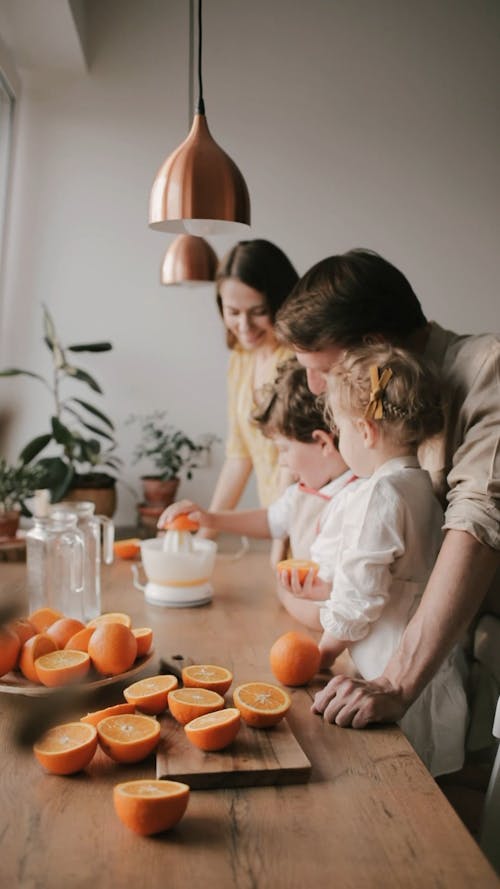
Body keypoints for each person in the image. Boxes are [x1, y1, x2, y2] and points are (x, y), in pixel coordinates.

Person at [274, 248, 500, 730]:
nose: (314, 388)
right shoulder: (379, 412)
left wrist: (396, 683)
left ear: (373, 346)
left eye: (324, 369)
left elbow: (476, 528)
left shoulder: (488, 370)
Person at [279, 343, 468, 776]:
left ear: (365, 432)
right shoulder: (423, 488)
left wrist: (322, 655)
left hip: (389, 674)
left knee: (396, 784)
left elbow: (360, 599)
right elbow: (394, 577)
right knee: (429, 788)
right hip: (434, 676)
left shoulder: (379, 495)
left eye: (341, 431)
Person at [158, 357, 356, 627]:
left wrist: (283, 593)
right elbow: (271, 520)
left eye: (284, 449)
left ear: (322, 442)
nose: (282, 462)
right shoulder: (306, 490)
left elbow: (323, 615)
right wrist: (211, 518)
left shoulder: (351, 502)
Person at [202, 240, 299, 562]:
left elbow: (295, 461)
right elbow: (239, 455)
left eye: (258, 312)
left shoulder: (299, 361)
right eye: (232, 312)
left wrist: (279, 545)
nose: (244, 326)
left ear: (281, 302)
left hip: (300, 524)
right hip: (275, 522)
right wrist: (203, 539)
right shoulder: (242, 359)